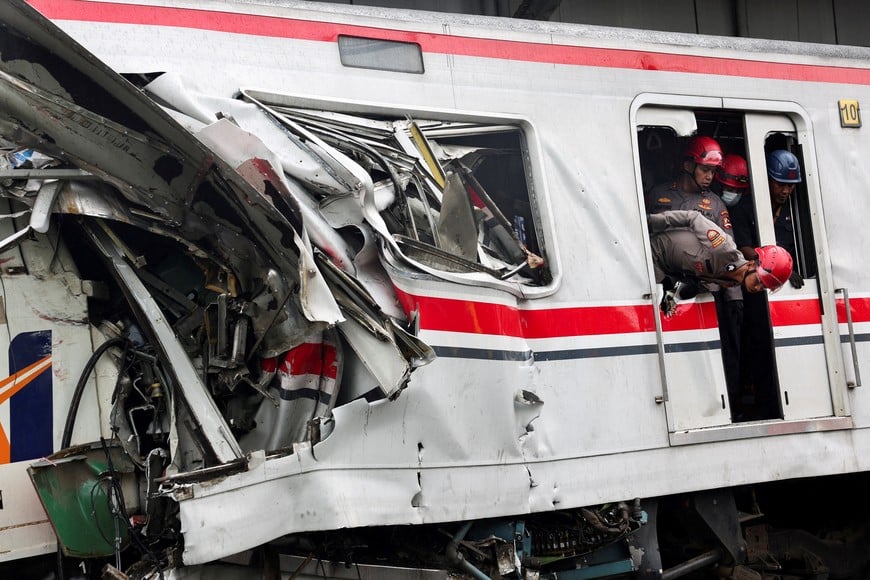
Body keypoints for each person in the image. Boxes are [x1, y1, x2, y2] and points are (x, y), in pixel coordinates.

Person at [648, 210, 792, 316]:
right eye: (759, 280)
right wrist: (650, 222)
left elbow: (694, 277)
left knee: (665, 308)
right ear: (751, 265)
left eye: (764, 287)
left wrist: (674, 295)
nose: (758, 287)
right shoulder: (723, 248)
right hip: (654, 252)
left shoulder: (732, 282)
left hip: (669, 270)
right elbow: (693, 217)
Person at [730, 149, 803, 289]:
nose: (785, 191)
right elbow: (743, 247)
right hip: (755, 282)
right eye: (780, 185)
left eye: (790, 186)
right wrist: (775, 267)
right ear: (767, 180)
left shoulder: (794, 211)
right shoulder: (745, 208)